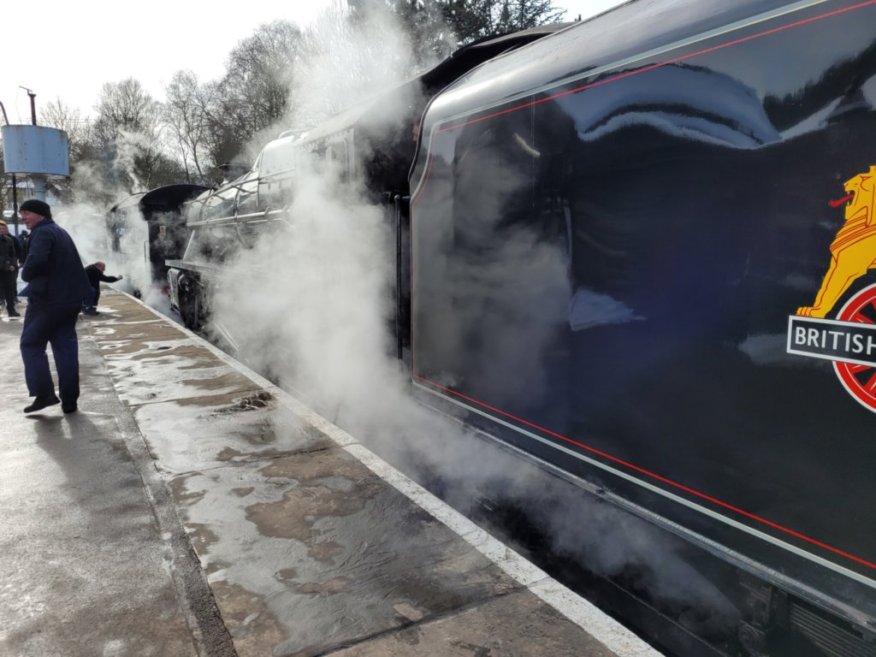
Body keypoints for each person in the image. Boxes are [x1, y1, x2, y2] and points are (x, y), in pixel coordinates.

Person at [18, 199, 90, 414]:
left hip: (48, 300)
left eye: (27, 213)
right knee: (65, 347)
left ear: (41, 214)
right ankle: (70, 400)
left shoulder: (42, 233)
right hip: (69, 300)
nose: (23, 218)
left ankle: (45, 393)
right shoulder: (60, 231)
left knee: (30, 344)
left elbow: (37, 260)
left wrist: (25, 273)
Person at [0, 220, 22, 317]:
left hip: (8, 270)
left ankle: (11, 310)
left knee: (10, 289)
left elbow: (13, 254)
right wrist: (7, 265)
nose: (2, 230)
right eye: (0, 228)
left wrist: (13, 265)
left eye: (3, 228)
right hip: (4, 267)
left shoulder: (9, 240)